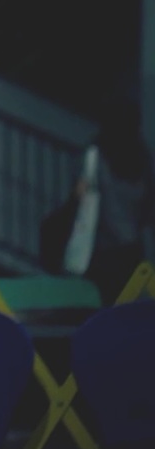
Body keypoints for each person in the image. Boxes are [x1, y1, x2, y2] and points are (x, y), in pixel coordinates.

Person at [81, 105, 155, 303]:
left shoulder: (138, 157)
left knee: (118, 309)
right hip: (108, 250)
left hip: (121, 250)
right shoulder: (100, 157)